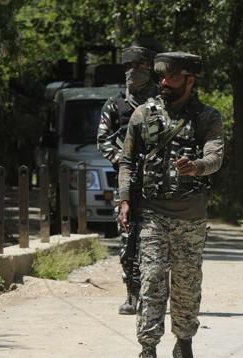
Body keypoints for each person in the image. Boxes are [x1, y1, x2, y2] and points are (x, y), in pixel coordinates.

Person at [118, 52, 224, 358]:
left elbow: (215, 156)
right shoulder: (142, 115)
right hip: (152, 213)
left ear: (190, 80)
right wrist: (125, 199)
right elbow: (126, 161)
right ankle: (147, 348)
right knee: (151, 281)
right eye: (161, 77)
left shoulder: (207, 118)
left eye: (172, 77)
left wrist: (197, 166)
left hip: (190, 218)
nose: (164, 82)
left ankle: (184, 342)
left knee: (186, 285)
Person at [97, 37, 164, 315]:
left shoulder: (161, 104)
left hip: (159, 184)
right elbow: (102, 140)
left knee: (157, 240)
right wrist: (121, 160)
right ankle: (131, 295)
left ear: (150, 69)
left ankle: (156, 292)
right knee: (128, 239)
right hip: (126, 182)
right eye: (128, 66)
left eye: (138, 66)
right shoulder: (115, 105)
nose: (132, 71)